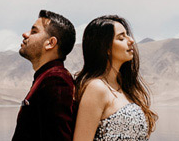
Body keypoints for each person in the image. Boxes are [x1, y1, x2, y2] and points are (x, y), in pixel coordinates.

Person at [72, 15, 157, 141]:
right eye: (121, 38)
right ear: (105, 48)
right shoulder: (97, 88)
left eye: (127, 35)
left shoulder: (124, 88)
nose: (131, 41)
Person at [12, 9, 77, 141]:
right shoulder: (45, 77)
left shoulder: (56, 80)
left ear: (50, 43)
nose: (25, 34)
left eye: (34, 31)